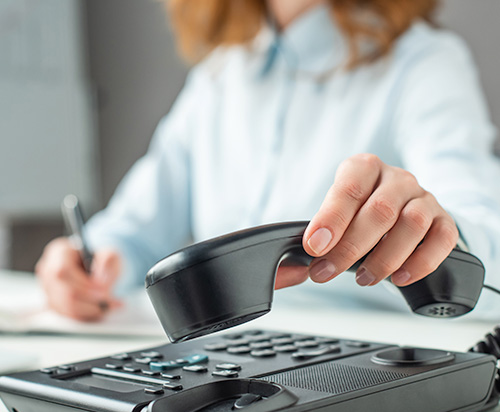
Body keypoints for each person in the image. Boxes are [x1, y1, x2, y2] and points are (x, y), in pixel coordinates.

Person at [36, 0, 500, 321]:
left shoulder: (424, 63)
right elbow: (132, 234)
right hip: (228, 353)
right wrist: (82, 265)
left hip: (368, 356)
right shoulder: (219, 76)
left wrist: (438, 232)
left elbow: (487, 243)